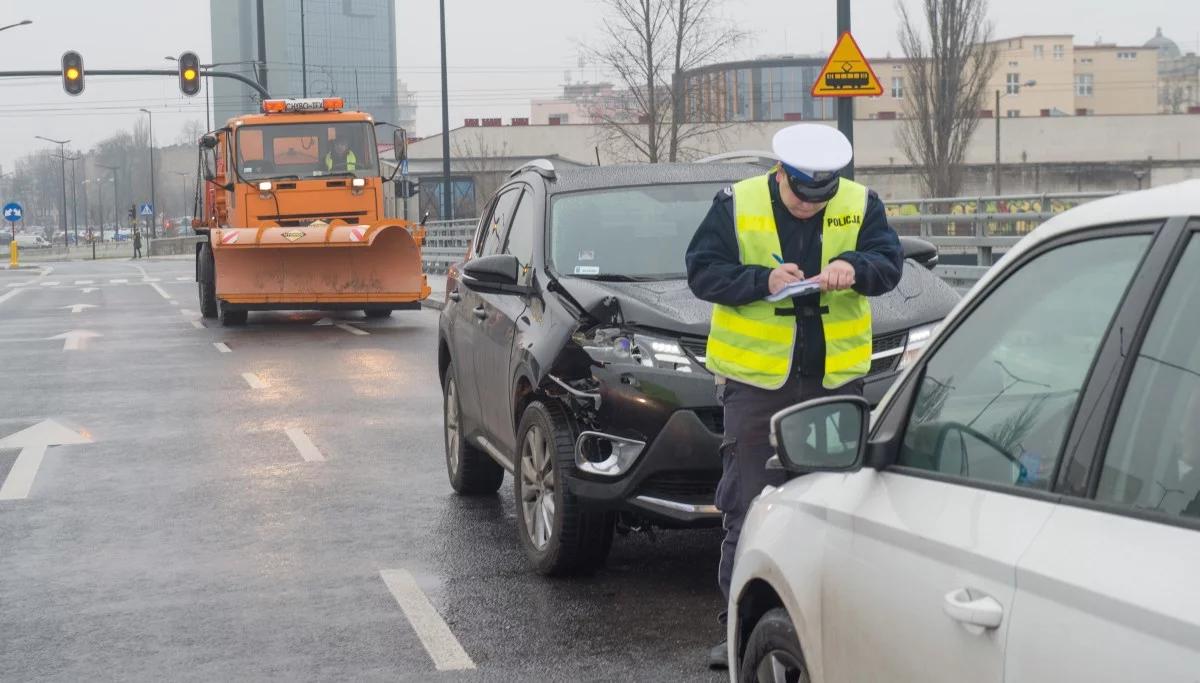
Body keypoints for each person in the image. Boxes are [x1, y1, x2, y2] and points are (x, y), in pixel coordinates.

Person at [685, 123, 904, 670]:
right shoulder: (736, 203)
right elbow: (702, 272)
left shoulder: (859, 202)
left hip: (832, 381)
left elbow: (889, 264)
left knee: (833, 505)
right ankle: (735, 629)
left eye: (820, 199)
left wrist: (855, 269)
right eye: (801, 197)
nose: (810, 208)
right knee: (749, 504)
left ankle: (828, 623)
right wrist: (763, 281)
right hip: (757, 385)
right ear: (780, 174)